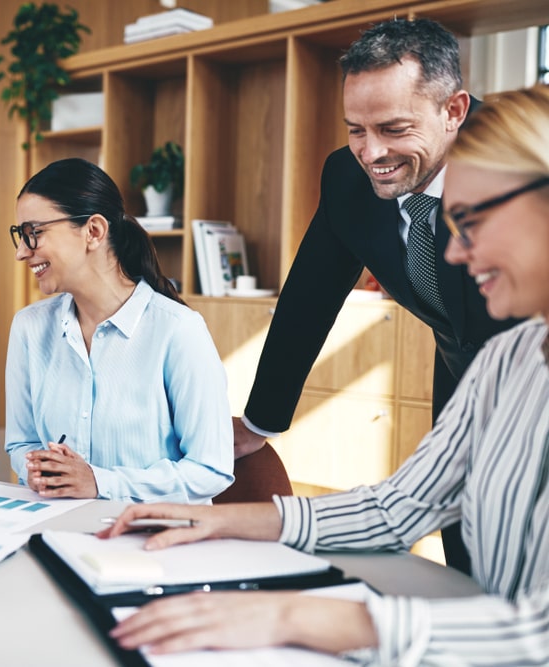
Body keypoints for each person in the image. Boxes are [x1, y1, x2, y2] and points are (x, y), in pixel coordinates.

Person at [101, 85, 549, 665]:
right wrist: (221, 520)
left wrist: (296, 615)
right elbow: (399, 508)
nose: (455, 254)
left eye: (472, 220)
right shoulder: (504, 362)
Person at [234, 17, 521, 573]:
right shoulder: (347, 179)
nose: (372, 153)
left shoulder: (524, 163)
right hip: (462, 367)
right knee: (464, 538)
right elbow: (308, 299)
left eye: (393, 128)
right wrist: (259, 422)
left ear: (454, 111)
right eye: (356, 130)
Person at [4, 157, 233, 503]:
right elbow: (21, 443)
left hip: (154, 541)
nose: (22, 252)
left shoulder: (178, 331)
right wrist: (40, 470)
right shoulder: (29, 328)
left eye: (34, 233)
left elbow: (210, 470)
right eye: (21, 235)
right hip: (59, 526)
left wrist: (100, 482)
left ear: (93, 231)